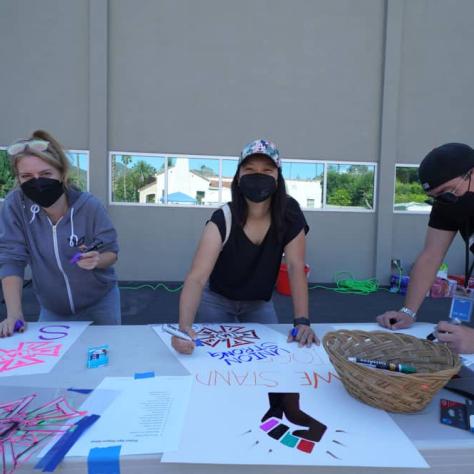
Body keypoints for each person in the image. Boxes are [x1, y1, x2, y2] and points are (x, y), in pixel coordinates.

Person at [172, 139, 318, 354]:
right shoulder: (223, 218)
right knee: (215, 357)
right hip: (217, 301)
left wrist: (302, 322)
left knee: (269, 356)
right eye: (249, 169)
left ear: (278, 177)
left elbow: (296, 267)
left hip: (259, 303)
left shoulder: (289, 213)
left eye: (267, 170)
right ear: (238, 177)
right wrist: (184, 329)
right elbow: (197, 277)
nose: (258, 175)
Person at [0, 130, 120, 337]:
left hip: (100, 303)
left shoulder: (89, 206)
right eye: (27, 176)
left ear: (62, 174)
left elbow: (111, 252)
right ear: (18, 179)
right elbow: (11, 258)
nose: (37, 182)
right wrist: (14, 313)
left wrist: (97, 260)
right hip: (53, 309)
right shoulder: (15, 206)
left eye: (46, 174)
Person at [376, 143, 474, 354]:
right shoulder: (449, 204)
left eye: (448, 192)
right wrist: (408, 311)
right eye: (436, 198)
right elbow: (431, 255)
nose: (444, 202)